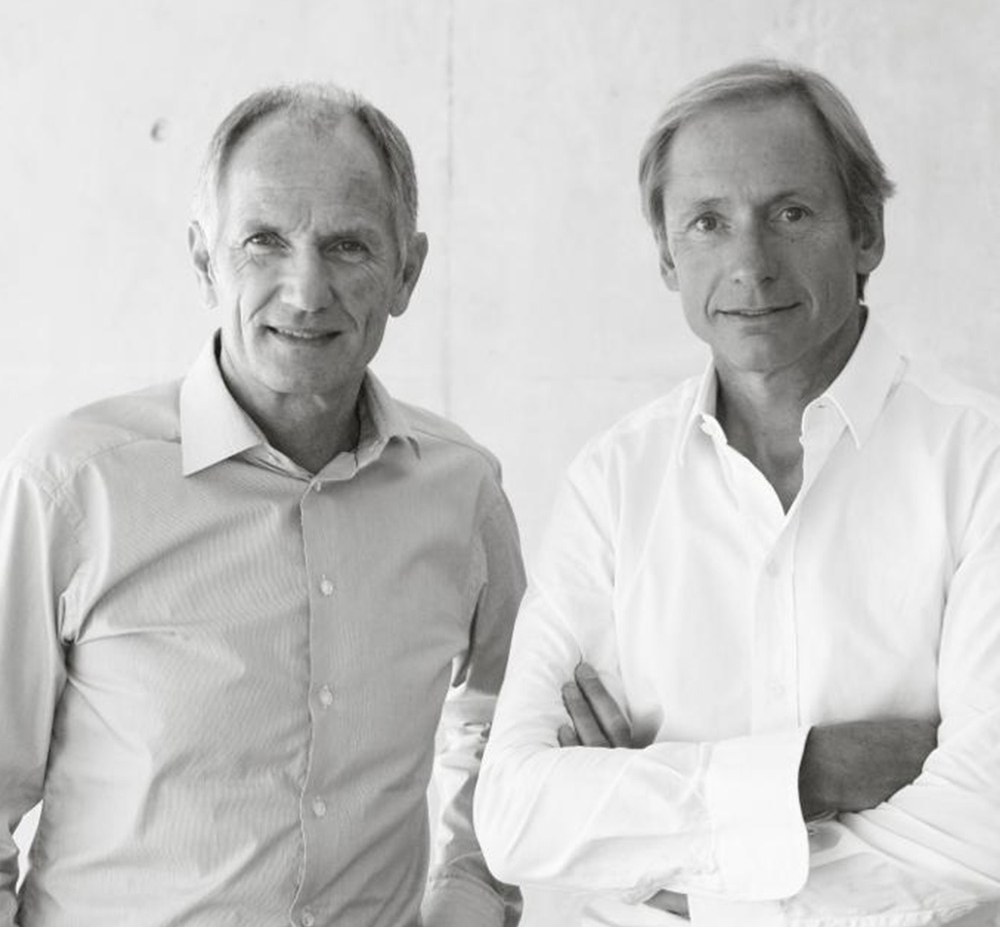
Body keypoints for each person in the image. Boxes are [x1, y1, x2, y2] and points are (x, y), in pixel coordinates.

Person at [474, 60, 1000, 925]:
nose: (750, 265)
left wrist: (672, 863)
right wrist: (810, 773)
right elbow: (517, 815)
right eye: (708, 223)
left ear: (866, 233)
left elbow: (983, 827)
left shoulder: (980, 463)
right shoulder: (614, 482)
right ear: (666, 256)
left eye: (790, 214)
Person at [0, 84, 524, 927]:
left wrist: (469, 894)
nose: (306, 291)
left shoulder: (462, 491)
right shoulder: (72, 485)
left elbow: (506, 732)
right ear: (203, 260)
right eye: (264, 242)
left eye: (348, 246)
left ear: (407, 272)